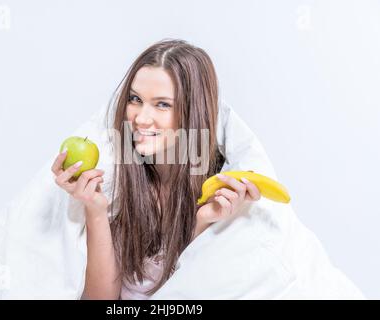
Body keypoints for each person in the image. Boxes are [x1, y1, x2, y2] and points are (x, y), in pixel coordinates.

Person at [52, 39, 265, 300]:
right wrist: (95, 208)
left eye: (162, 104)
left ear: (192, 111)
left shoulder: (220, 188)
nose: (141, 118)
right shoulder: (121, 181)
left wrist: (202, 225)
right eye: (135, 99)